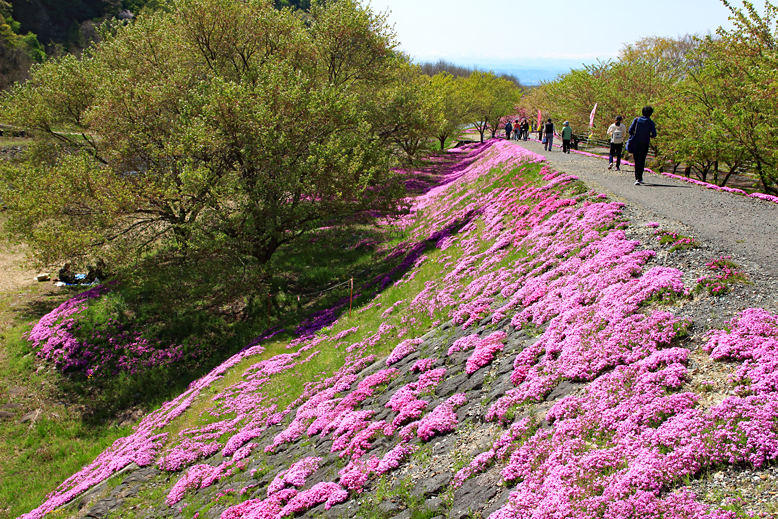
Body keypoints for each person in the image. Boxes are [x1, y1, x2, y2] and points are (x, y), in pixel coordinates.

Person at [628, 106, 657, 185]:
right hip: (645, 143)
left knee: (636, 160)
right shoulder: (651, 122)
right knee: (642, 160)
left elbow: (630, 130)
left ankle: (637, 178)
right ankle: (639, 177)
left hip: (636, 142)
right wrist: (648, 136)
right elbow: (654, 134)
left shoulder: (637, 120)